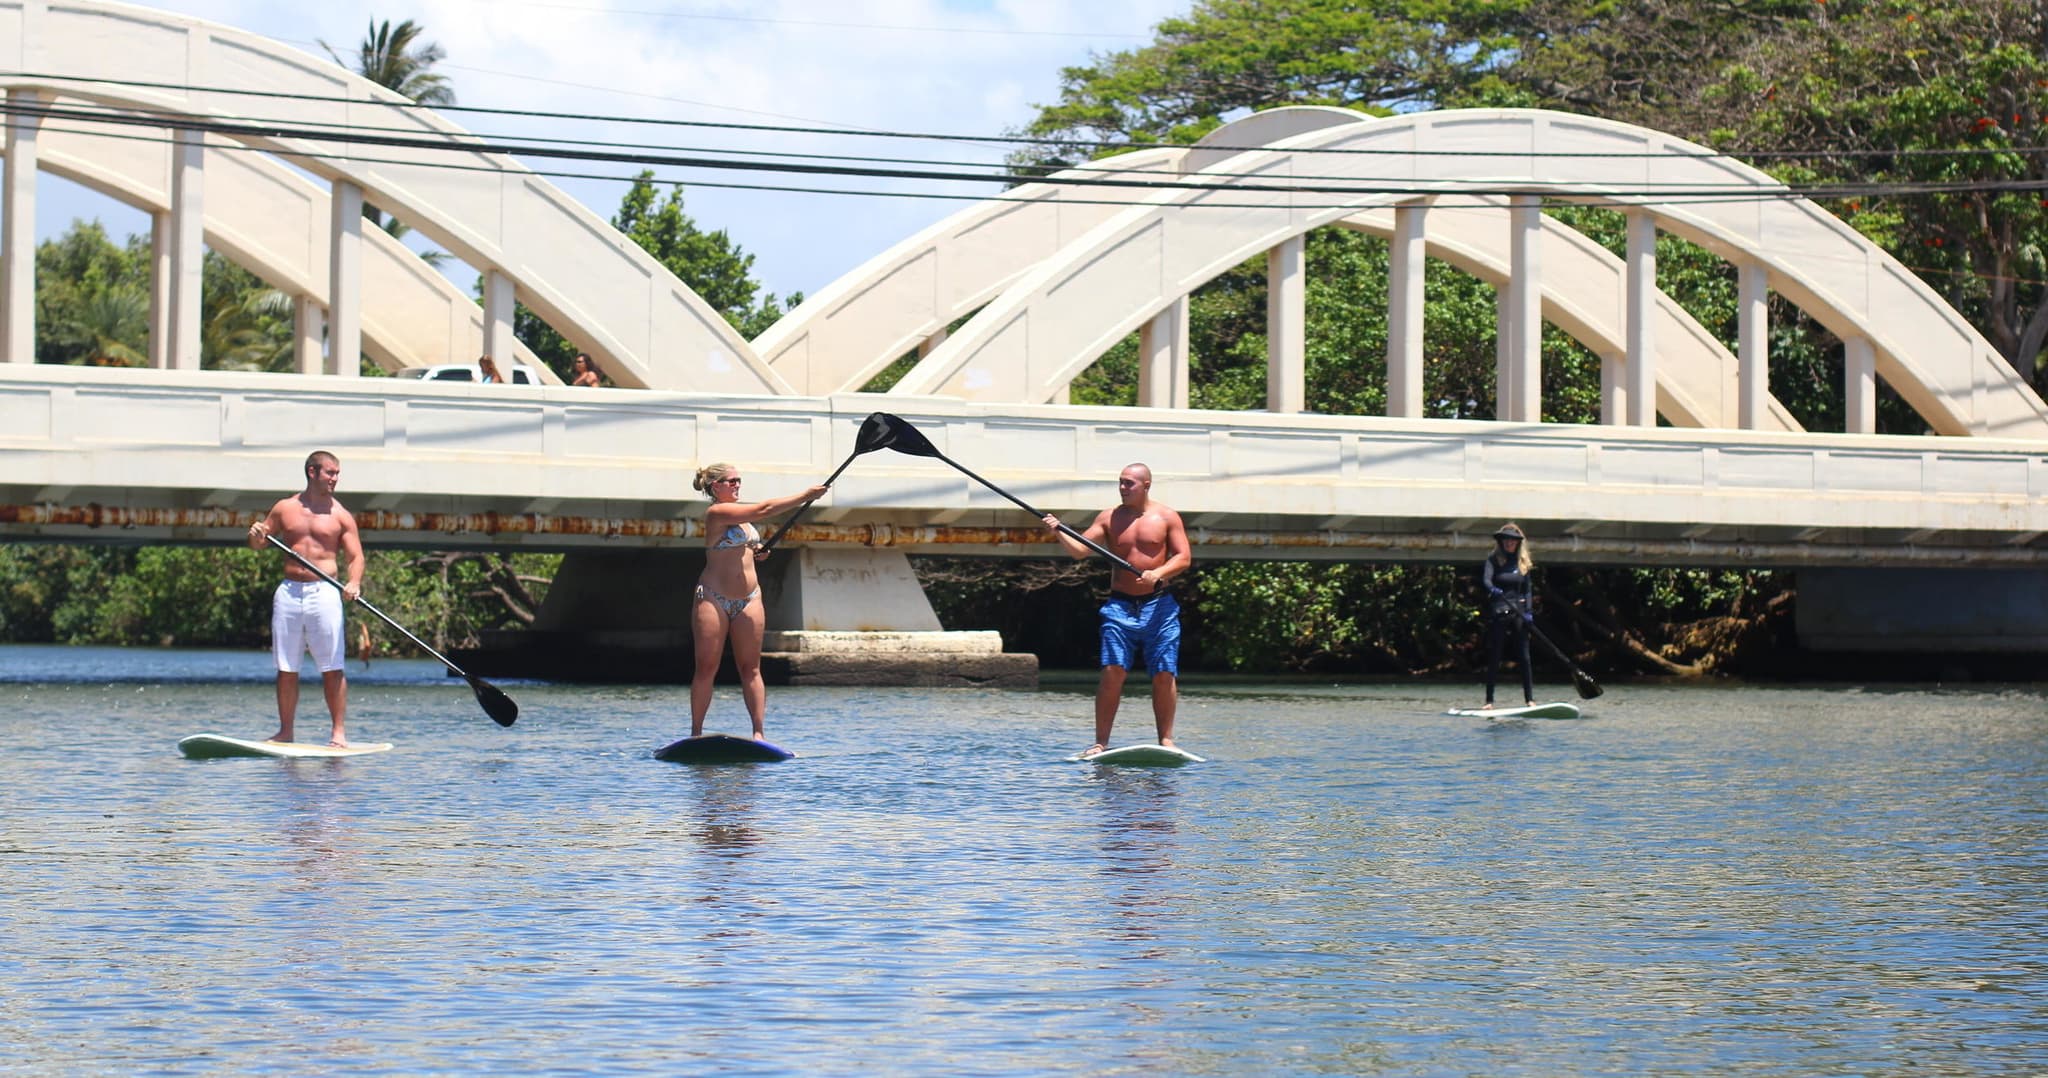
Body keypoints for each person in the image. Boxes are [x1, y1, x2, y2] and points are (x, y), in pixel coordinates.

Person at [1041, 463, 1193, 757]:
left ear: (1146, 485)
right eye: (1120, 483)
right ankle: (1101, 742)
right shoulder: (1109, 517)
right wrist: (1058, 529)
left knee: (1164, 672)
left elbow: (1184, 558)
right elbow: (1080, 550)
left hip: (1159, 607)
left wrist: (1158, 572)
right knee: (1112, 671)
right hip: (1120, 606)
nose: (1123, 488)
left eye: (1129, 484)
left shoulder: (1166, 516)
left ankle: (1166, 740)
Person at [689, 462, 830, 740]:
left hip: (750, 599)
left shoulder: (743, 520)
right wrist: (805, 496)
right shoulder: (717, 512)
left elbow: (744, 545)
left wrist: (757, 550)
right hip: (713, 598)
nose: (737, 485)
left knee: (751, 668)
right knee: (707, 667)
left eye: (739, 480)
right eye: (731, 481)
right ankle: (695, 734)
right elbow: (763, 509)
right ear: (716, 487)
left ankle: (759, 733)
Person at [247, 451, 365, 746]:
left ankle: (338, 733)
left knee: (332, 667)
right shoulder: (285, 508)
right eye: (330, 473)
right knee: (287, 667)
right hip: (289, 592)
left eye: (337, 473)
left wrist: (354, 582)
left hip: (324, 591)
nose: (335, 479)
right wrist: (256, 535)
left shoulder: (340, 515)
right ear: (312, 472)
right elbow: (259, 543)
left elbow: (355, 556)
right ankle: (285, 732)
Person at [1480, 523, 1536, 709]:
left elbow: (1527, 590)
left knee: (1524, 656)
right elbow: (1486, 580)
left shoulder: (1522, 563)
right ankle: (1489, 701)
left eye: (1512, 541)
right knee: (1495, 654)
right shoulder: (1494, 559)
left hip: (1519, 611)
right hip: (1500, 608)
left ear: (1517, 543)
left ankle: (1529, 700)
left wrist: (1529, 612)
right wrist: (1492, 589)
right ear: (1501, 541)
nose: (1509, 544)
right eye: (1506, 540)